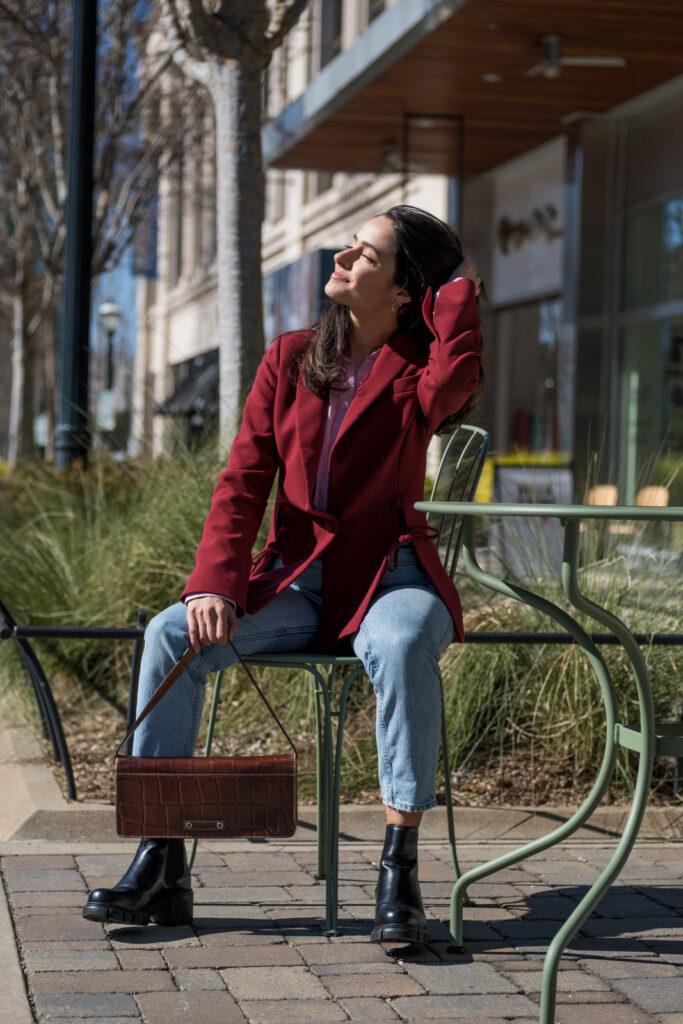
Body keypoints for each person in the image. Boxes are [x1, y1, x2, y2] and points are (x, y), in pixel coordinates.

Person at [82, 203, 483, 946]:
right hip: (296, 582)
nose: (341, 257)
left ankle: (400, 869)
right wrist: (214, 586)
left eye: (365, 254)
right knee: (172, 632)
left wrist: (453, 289)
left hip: (394, 580)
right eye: (349, 245)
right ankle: (161, 861)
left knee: (398, 647)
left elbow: (456, 377)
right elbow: (242, 480)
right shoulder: (289, 357)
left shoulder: (417, 374)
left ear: (404, 291)